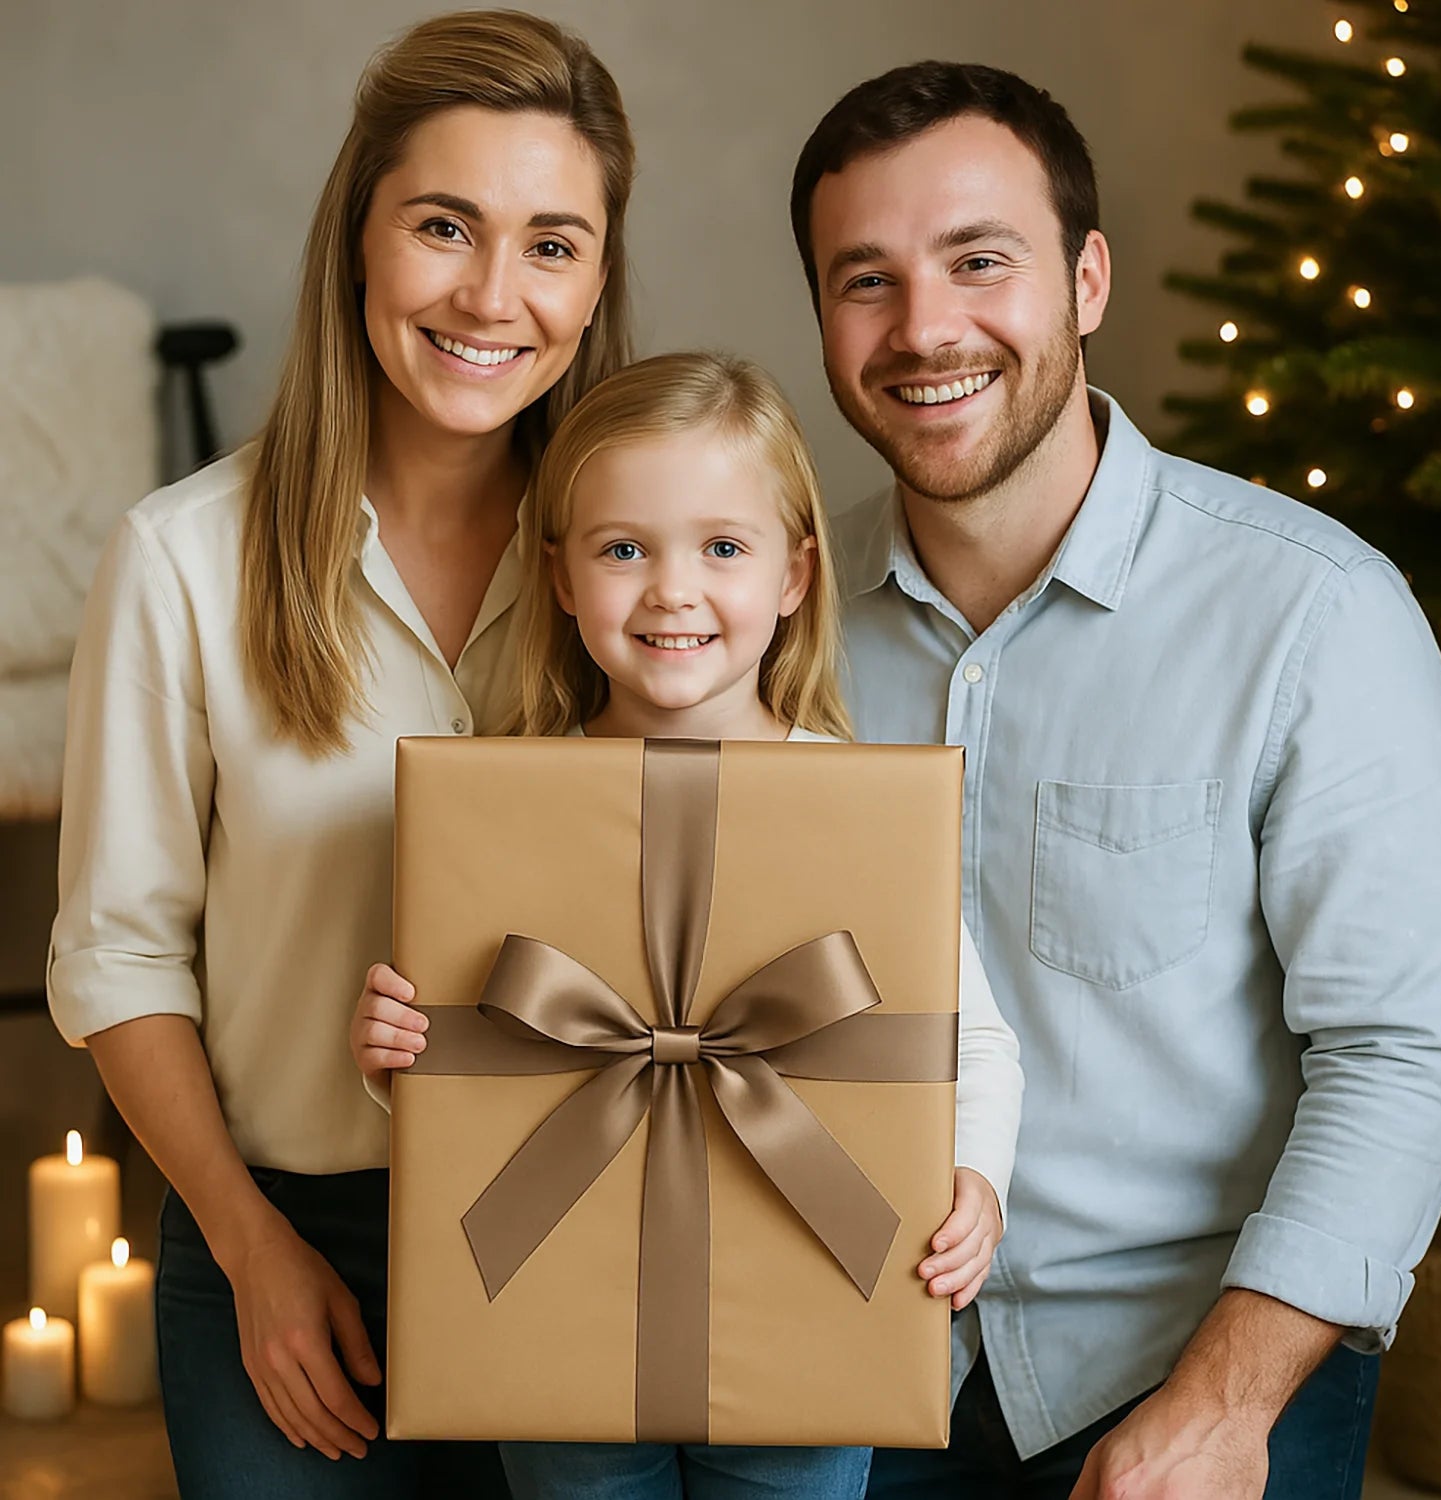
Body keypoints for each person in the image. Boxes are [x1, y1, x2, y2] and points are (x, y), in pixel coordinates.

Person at [788, 61, 1441, 1500]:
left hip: (1196, 1366)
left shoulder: (1315, 616)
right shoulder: (771, 625)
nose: (925, 329)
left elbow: (1403, 1055)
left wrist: (1226, 1404)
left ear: (1088, 280)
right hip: (849, 1364)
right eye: (867, 280)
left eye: (980, 262)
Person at [46, 11, 633, 1496]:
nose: (495, 295)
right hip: (282, 1224)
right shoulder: (179, 560)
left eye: (554, 244)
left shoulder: (655, 570)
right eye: (445, 226)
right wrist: (253, 1248)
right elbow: (119, 958)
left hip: (596, 1218)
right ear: (357, 241)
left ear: (598, 278)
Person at [351, 350, 1026, 1500]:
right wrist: (388, 1057)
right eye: (625, 549)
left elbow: (965, 1039)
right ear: (559, 575)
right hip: (559, 1320)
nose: (672, 590)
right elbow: (461, 1062)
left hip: (812, 1313)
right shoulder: (495, 809)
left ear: (795, 574)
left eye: (722, 547)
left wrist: (978, 1179)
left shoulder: (865, 809)